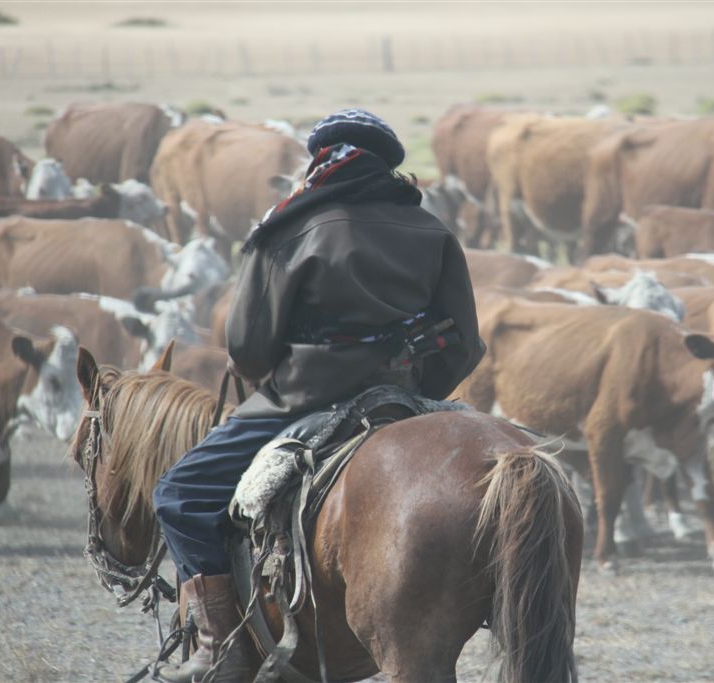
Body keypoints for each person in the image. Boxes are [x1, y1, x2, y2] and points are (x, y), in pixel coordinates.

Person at [153, 109, 485, 683]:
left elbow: (249, 349)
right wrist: (417, 391)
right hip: (402, 395)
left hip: (304, 399)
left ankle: (219, 650)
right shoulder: (432, 230)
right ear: (384, 164)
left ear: (321, 160)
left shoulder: (288, 226)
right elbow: (465, 343)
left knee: (179, 494)